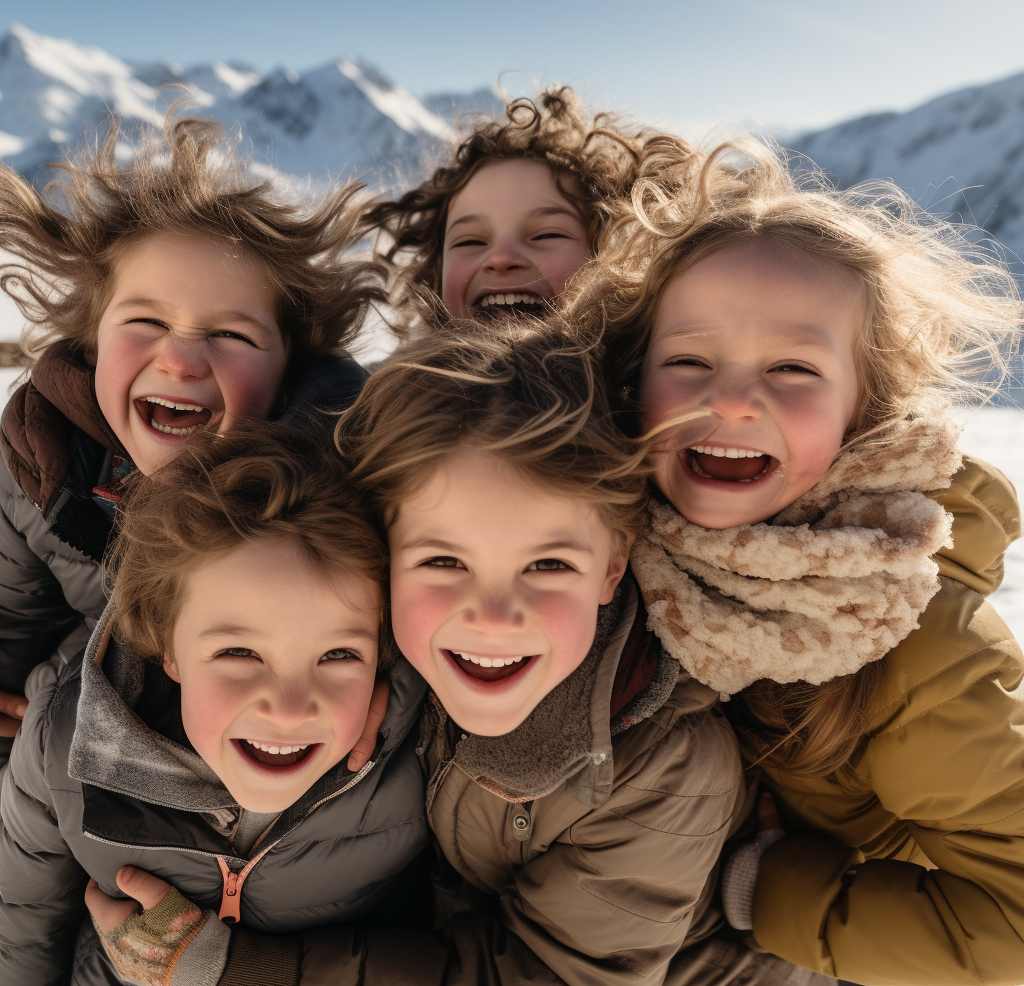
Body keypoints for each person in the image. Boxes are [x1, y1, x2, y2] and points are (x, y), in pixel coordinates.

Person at [87, 319, 833, 986]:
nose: (493, 617)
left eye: (548, 567)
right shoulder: (391, 659)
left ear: (613, 566)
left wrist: (252, 973)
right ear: (384, 558)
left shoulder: (659, 765)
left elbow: (547, 973)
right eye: (444, 564)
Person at [583, 136, 1024, 985]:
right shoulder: (606, 548)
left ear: (866, 411)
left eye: (792, 367)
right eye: (689, 362)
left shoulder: (914, 643)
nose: (732, 400)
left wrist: (774, 891)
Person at [0, 113, 386, 758]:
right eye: (145, 320)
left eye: (231, 335)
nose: (179, 361)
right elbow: (14, 628)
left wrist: (391, 703)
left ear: (288, 368)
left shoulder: (344, 483)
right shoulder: (44, 465)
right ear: (92, 343)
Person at [0, 422, 429, 986]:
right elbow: (21, 922)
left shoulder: (417, 755)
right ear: (167, 650)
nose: (289, 706)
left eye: (337, 655)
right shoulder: (65, 742)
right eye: (239, 651)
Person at [361, 86, 673, 327]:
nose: (500, 258)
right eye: (470, 240)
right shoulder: (374, 401)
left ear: (612, 258)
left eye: (546, 235)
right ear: (435, 273)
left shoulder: (653, 400)